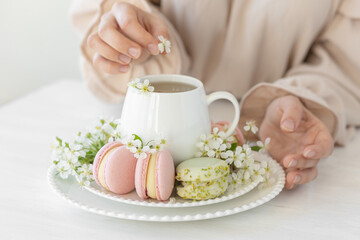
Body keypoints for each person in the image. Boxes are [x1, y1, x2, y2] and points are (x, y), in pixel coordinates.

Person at [70, 0, 360, 190]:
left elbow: (347, 58)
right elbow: (113, 19)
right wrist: (132, 37)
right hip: (143, 128)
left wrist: (300, 99)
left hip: (262, 164)